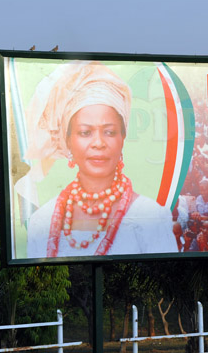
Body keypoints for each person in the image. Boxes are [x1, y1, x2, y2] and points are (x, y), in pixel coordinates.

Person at [24, 61, 178, 257]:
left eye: (109, 132)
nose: (98, 143)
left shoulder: (151, 216)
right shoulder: (42, 220)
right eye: (85, 132)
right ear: (68, 141)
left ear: (123, 137)